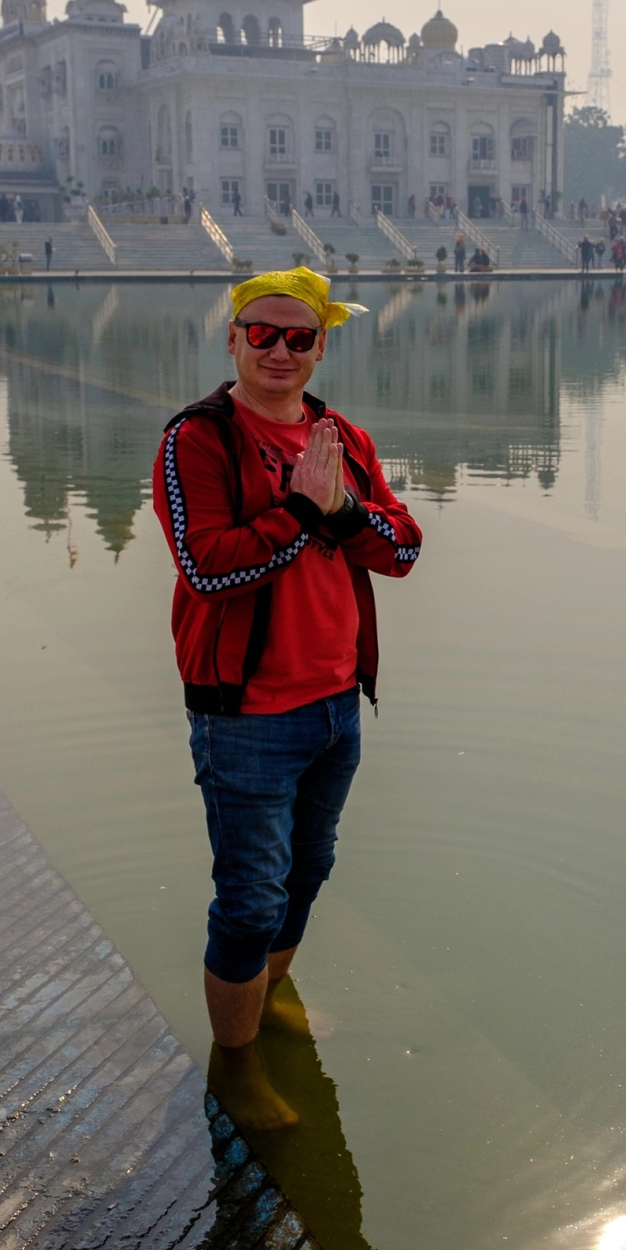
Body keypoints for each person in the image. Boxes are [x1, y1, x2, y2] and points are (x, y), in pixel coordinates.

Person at [152, 267, 422, 1132]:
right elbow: (208, 564)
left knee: (307, 872)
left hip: (335, 701)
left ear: (319, 346)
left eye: (297, 336)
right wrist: (305, 515)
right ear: (230, 338)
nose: (277, 350)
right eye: (260, 333)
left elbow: (403, 549)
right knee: (249, 897)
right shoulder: (198, 439)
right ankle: (237, 1070)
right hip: (245, 714)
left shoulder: (338, 435)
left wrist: (338, 507)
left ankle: (263, 1006)